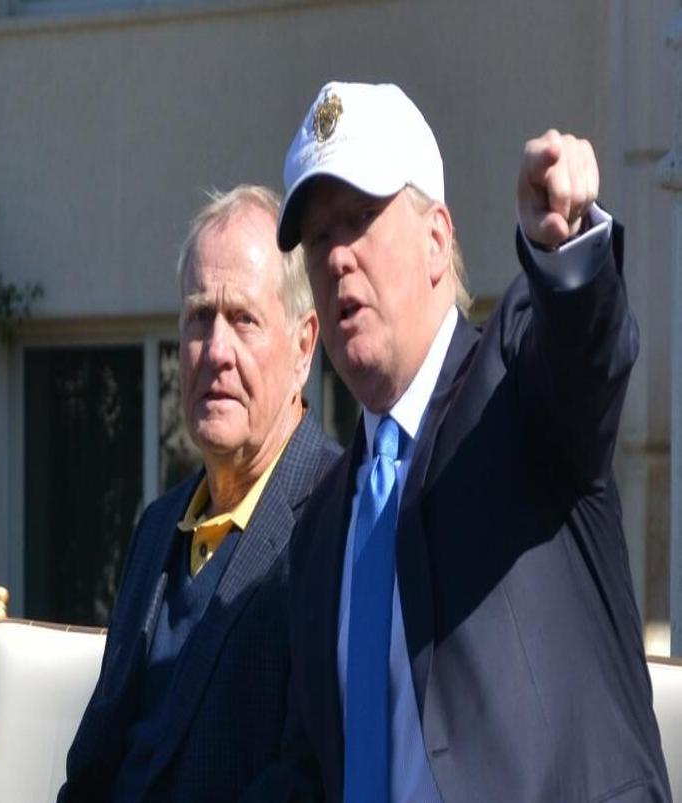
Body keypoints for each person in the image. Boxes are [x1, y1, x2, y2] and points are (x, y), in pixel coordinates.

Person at [273, 81, 671, 802]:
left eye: (360, 219)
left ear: (436, 239)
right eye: (318, 236)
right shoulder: (319, 526)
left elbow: (586, 353)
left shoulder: (515, 388)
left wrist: (567, 249)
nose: (334, 259)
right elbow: (311, 768)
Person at [57, 184, 340, 802]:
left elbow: (311, 778)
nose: (215, 351)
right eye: (198, 318)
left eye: (243, 320)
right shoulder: (158, 527)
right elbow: (94, 767)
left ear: (302, 346)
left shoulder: (337, 520)